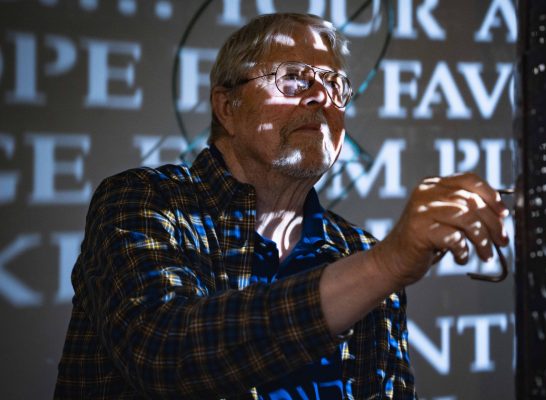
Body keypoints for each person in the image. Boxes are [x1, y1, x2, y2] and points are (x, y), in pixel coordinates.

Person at [55, 13, 508, 399]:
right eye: (293, 78)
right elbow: (163, 350)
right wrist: (384, 266)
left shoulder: (357, 250)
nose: (321, 98)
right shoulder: (145, 201)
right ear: (227, 106)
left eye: (334, 83)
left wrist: (378, 266)